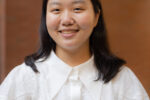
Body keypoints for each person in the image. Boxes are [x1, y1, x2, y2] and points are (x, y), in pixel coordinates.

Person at [0, 0, 149, 99]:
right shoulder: (23, 79)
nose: (66, 20)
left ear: (96, 16)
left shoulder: (122, 79)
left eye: (77, 9)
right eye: (56, 10)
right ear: (45, 18)